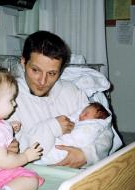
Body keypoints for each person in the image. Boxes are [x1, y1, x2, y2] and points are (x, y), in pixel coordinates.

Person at [9, 30, 121, 168]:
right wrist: (52, 127)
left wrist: (87, 155)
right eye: (36, 70)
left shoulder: (71, 92)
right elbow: (12, 148)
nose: (42, 81)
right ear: (23, 62)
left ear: (61, 71)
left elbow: (102, 129)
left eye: (51, 73)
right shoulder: (8, 97)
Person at [35, 102, 113, 165]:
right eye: (82, 112)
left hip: (67, 149)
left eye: (85, 114)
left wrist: (86, 154)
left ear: (96, 120)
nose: (80, 115)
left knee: (51, 154)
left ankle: (40, 160)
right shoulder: (82, 120)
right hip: (58, 143)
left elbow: (78, 138)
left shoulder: (92, 127)